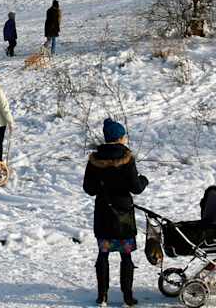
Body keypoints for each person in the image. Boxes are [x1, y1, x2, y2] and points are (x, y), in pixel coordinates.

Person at [83, 118, 149, 307]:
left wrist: (103, 185)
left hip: (104, 213)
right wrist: (144, 180)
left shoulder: (95, 160)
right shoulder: (127, 158)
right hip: (123, 215)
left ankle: (102, 296)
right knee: (126, 256)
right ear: (119, 137)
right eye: (124, 136)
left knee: (103, 254)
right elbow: (136, 188)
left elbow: (89, 188)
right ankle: (127, 297)